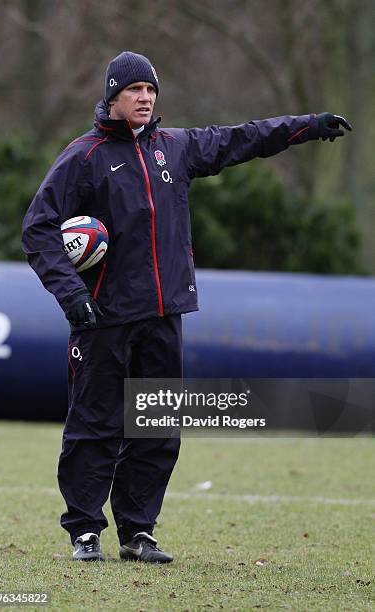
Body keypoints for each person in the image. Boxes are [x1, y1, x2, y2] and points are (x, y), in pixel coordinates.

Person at [22, 51, 352, 563]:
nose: (146, 98)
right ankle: (85, 531)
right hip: (104, 318)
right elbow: (38, 229)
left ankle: (137, 531)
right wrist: (72, 295)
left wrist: (307, 126)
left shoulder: (175, 147)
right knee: (95, 424)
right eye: (135, 90)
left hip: (164, 311)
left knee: (155, 427)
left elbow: (244, 137)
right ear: (112, 96)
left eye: (151, 91)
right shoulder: (83, 157)